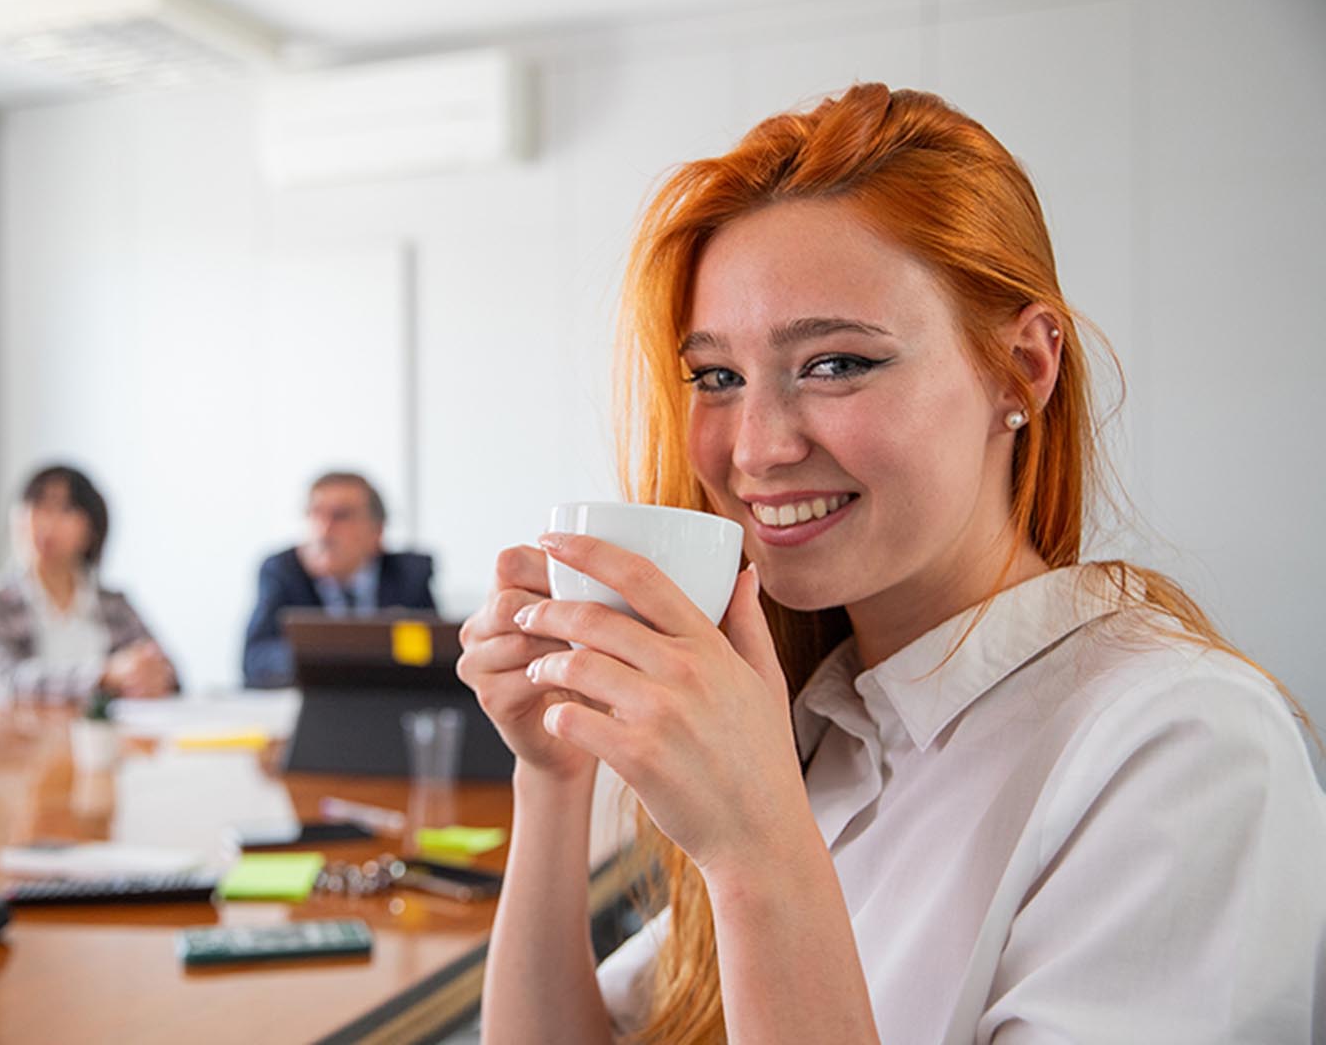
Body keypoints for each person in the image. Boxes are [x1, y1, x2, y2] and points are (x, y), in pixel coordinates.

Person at [456, 83, 1326, 1043]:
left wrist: (759, 858)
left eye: (835, 363)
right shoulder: (827, 720)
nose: (755, 449)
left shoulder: (1185, 744)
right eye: (718, 378)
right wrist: (554, 777)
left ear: (1022, 369)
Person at [0, 464, 176, 703]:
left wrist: (151, 677)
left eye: (64, 509)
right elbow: (5, 681)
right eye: (35, 505)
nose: (45, 522)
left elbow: (170, 676)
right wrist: (104, 676)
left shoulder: (114, 604)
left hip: (104, 737)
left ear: (91, 528)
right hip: (20, 737)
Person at [243, 471, 436, 688]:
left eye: (341, 516)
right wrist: (339, 652)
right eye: (315, 514)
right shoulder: (282, 571)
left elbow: (432, 653)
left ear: (377, 531)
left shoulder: (409, 575)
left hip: (384, 701)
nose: (324, 530)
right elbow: (256, 660)